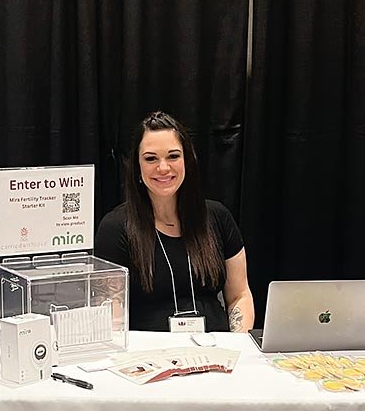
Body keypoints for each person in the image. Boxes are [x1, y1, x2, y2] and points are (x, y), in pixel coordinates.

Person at [94, 112, 254, 333]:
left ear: (187, 160)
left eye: (173, 156)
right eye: (151, 158)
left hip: (218, 351)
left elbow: (239, 294)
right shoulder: (115, 228)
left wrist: (238, 343)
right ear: (137, 167)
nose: (163, 168)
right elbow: (112, 316)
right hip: (149, 358)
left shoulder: (218, 217)